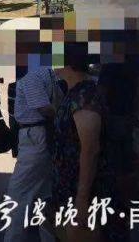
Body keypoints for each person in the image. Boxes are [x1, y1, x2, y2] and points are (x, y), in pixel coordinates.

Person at [49, 52, 115, 242]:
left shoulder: (84, 96)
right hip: (69, 188)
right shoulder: (75, 91)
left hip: (82, 191)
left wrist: (82, 198)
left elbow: (90, 149)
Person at [3, 65, 63, 242]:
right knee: (44, 194)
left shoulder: (31, 74)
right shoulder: (47, 71)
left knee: (18, 195)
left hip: (34, 136)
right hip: (39, 134)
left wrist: (62, 116)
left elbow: (44, 107)